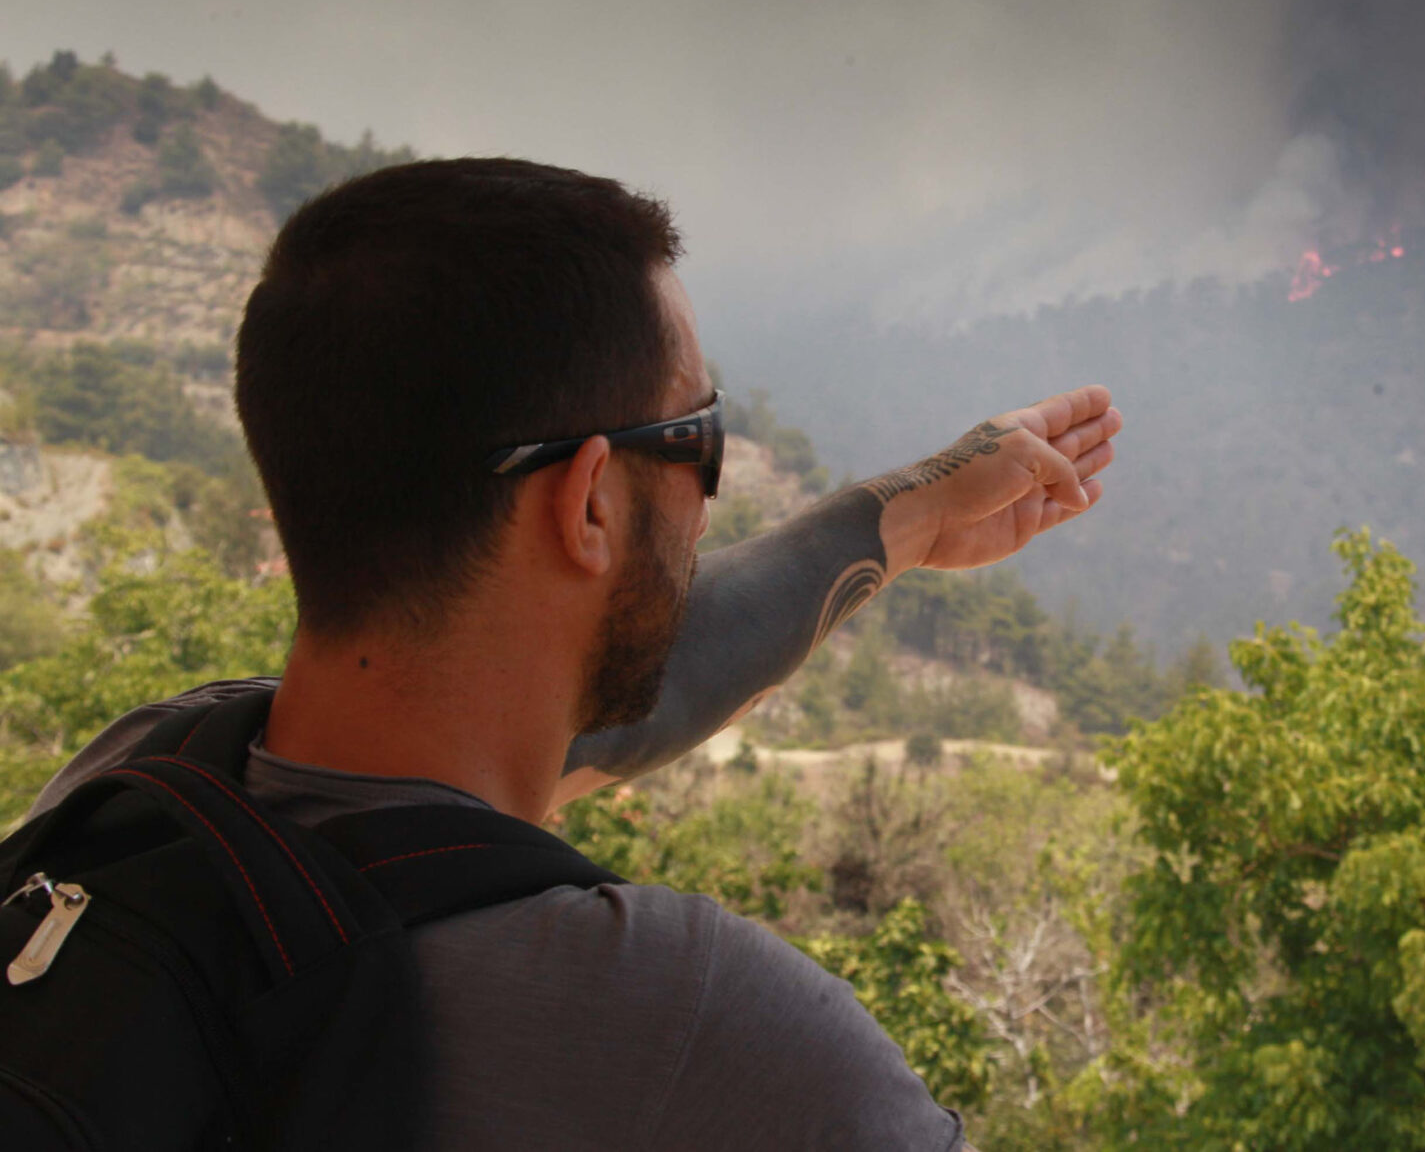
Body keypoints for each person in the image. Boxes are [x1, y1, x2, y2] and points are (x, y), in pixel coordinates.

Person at [27, 157, 1122, 1150]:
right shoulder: (696, 1026)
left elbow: (629, 704)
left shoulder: (139, 786)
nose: (709, 494)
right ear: (589, 496)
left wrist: (914, 515)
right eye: (698, 438)